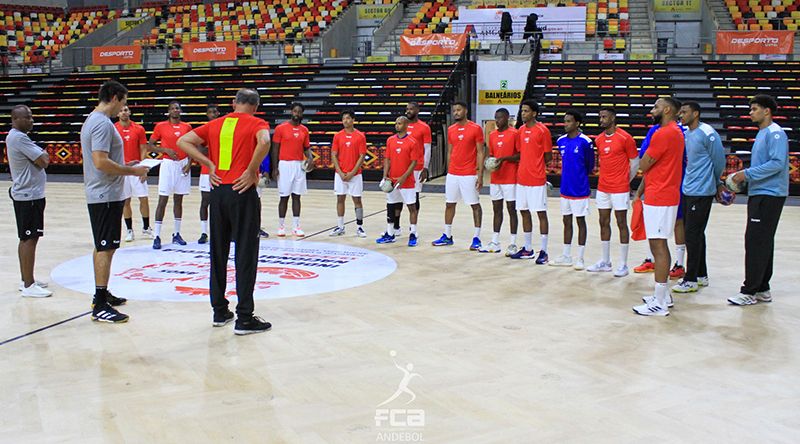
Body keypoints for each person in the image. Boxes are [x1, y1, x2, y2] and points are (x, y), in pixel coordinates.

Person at [177, 88, 273, 335]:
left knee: (217, 252)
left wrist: (208, 163)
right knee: (245, 253)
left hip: (217, 192)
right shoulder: (257, 122)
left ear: (234, 103)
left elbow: (182, 141)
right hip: (242, 192)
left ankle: (220, 311)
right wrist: (252, 169)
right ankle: (244, 318)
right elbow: (265, 141)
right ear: (255, 106)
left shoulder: (216, 124)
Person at [81, 80, 149, 323]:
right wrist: (132, 172)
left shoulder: (95, 120)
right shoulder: (100, 123)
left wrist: (126, 165)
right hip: (104, 194)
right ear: (114, 98)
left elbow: (106, 160)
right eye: (124, 101)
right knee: (106, 246)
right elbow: (100, 161)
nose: (124, 106)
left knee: (103, 245)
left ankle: (102, 292)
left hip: (104, 192)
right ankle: (99, 304)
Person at [727, 94, 789, 306]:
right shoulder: (763, 133)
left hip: (769, 194)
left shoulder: (775, 133)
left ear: (767, 111)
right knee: (762, 242)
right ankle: (762, 288)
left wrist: (746, 174)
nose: (750, 112)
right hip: (760, 193)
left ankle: (749, 291)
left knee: (755, 242)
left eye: (754, 109)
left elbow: (778, 164)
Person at [633, 97, 685, 316]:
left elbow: (644, 164)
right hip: (664, 193)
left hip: (661, 195)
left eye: (655, 107)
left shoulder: (664, 133)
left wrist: (643, 161)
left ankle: (660, 303)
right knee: (659, 245)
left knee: (658, 247)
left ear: (666, 109)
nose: (652, 110)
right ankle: (663, 295)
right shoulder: (675, 131)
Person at [671, 101, 725, 294]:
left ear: (696, 114)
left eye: (684, 112)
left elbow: (719, 160)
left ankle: (691, 279)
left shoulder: (708, 133)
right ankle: (701, 275)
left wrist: (716, 182)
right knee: (696, 234)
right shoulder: (686, 133)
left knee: (692, 236)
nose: (681, 116)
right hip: (688, 189)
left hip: (702, 191)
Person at [586, 107, 638, 276]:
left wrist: (625, 180)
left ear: (613, 118)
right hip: (603, 187)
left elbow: (635, 162)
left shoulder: (625, 137)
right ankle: (605, 261)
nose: (601, 120)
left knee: (621, 222)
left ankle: (623, 264)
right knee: (603, 221)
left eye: (605, 117)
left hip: (620, 188)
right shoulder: (599, 139)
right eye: (600, 116)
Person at [633, 122, 688, 278]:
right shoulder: (660, 130)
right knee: (656, 233)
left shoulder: (670, 132)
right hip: (660, 185)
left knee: (671, 229)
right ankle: (652, 260)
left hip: (669, 186)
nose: (652, 110)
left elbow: (644, 162)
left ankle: (678, 264)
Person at [7, 105, 51, 297]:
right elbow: (44, 160)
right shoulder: (19, 137)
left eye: (32, 117)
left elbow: (40, 159)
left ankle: (26, 278)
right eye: (28, 117)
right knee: (29, 238)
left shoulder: (16, 137)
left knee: (28, 237)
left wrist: (40, 157)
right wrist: (41, 156)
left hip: (30, 195)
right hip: (28, 196)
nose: (32, 120)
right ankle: (28, 285)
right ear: (16, 119)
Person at [431, 101, 485, 250]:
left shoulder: (475, 128)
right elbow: (450, 150)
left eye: (459, 110)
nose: (456, 113)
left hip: (469, 173)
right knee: (449, 204)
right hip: (453, 173)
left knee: (474, 205)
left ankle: (476, 237)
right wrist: (448, 170)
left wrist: (480, 174)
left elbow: (481, 152)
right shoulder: (451, 129)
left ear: (465, 111)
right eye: (454, 110)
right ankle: (447, 235)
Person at [550, 110, 594, 270]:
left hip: (580, 189)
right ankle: (566, 255)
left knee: (580, 222)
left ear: (577, 123)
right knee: (566, 221)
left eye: (569, 121)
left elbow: (590, 165)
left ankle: (580, 258)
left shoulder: (585, 141)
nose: (565, 124)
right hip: (565, 189)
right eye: (565, 121)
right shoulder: (561, 141)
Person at [509, 100, 551, 263]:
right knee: (523, 211)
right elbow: (521, 153)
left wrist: (536, 166)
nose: (523, 113)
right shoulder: (520, 130)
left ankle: (544, 251)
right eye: (522, 111)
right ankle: (527, 249)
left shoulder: (542, 130)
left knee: (541, 213)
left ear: (534, 113)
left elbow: (547, 156)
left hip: (537, 179)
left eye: (526, 111)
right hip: (522, 179)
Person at [148, 101, 192, 249]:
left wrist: (189, 163)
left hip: (183, 163)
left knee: (178, 200)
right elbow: (151, 145)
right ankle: (157, 235)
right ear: (169, 111)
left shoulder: (187, 127)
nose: (175, 110)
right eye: (173, 108)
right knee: (163, 200)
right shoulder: (160, 126)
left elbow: (192, 146)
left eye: (177, 108)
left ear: (180, 111)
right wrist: (166, 150)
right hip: (167, 164)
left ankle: (176, 233)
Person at [480, 107, 519, 255]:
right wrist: (488, 163)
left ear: (507, 118)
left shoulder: (514, 134)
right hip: (496, 179)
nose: (497, 121)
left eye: (500, 118)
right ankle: (495, 241)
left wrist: (504, 159)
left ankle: (513, 243)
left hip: (510, 178)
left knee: (511, 210)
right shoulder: (492, 135)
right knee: (497, 209)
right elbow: (492, 155)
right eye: (496, 118)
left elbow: (519, 155)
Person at [272, 102, 313, 237]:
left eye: (299, 112)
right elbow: (275, 149)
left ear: (302, 114)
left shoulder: (304, 130)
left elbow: (306, 148)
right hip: (284, 165)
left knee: (297, 196)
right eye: (295, 111)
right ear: (291, 112)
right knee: (284, 197)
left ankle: (296, 226)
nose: (297, 114)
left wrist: (310, 159)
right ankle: (281, 226)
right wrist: (275, 167)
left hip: (298, 165)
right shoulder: (281, 128)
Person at [376, 116, 419, 246]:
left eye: (399, 123)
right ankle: (390, 233)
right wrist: (385, 175)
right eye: (396, 123)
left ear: (406, 125)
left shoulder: (412, 141)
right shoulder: (390, 140)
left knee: (411, 206)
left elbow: (414, 162)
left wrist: (404, 176)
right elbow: (387, 159)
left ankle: (413, 234)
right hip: (392, 180)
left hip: (407, 181)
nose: (397, 126)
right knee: (391, 205)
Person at [393, 101, 432, 234]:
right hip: (401, 166)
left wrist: (426, 167)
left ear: (417, 110)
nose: (408, 111)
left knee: (413, 197)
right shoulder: (402, 126)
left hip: (417, 167)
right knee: (397, 196)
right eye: (407, 109)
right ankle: (396, 226)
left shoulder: (424, 127)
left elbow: (427, 149)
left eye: (411, 109)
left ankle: (412, 227)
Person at [115, 105, 151, 242]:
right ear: (118, 114)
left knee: (143, 198)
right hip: (122, 169)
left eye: (126, 110)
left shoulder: (139, 129)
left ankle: (146, 227)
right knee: (126, 201)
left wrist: (143, 168)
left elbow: (143, 148)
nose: (124, 112)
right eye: (121, 110)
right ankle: (129, 230)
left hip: (136, 168)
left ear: (129, 112)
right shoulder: (114, 129)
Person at [330, 109, 367, 238]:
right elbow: (334, 155)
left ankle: (360, 227)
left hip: (355, 174)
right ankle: (340, 226)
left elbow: (362, 156)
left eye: (348, 118)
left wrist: (352, 172)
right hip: (340, 174)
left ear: (353, 120)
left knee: (357, 199)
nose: (345, 121)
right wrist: (340, 172)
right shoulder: (337, 136)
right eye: (343, 118)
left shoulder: (360, 136)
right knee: (340, 198)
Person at [198, 104, 220, 244]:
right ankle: (203, 232)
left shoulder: (222, 128)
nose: (213, 114)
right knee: (205, 201)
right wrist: (209, 150)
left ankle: (220, 231)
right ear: (207, 114)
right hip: (206, 171)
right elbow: (198, 147)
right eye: (210, 112)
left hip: (220, 171)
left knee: (219, 203)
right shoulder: (205, 129)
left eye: (215, 112)